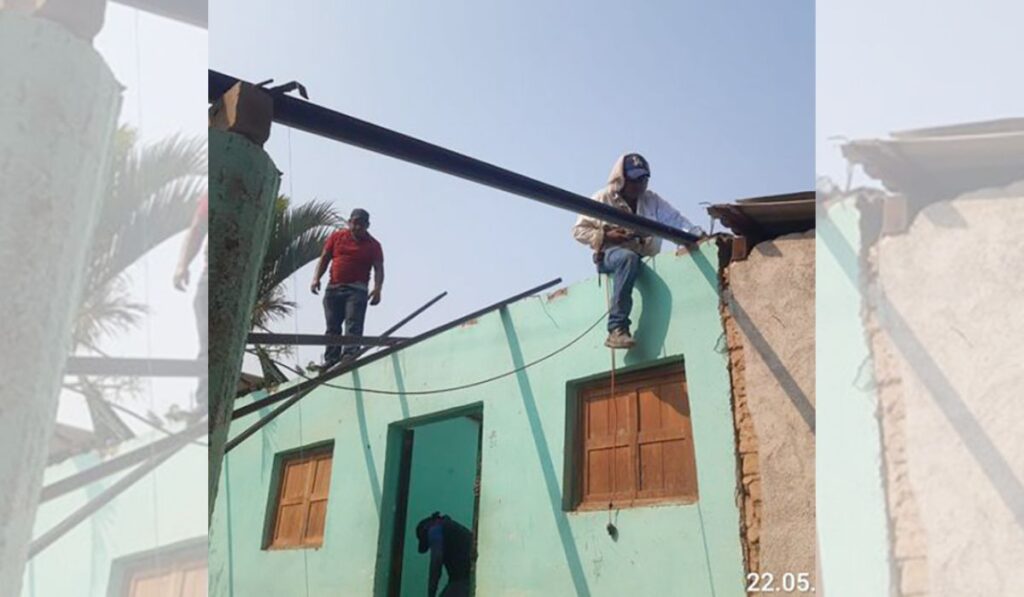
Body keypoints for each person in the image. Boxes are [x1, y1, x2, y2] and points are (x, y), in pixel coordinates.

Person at [572, 153, 705, 349]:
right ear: (622, 178)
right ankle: (617, 328)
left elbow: (675, 219)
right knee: (627, 258)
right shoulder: (603, 198)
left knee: (633, 259)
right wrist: (608, 236)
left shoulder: (652, 200)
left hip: (643, 256)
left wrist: (697, 235)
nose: (639, 185)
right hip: (612, 255)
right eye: (634, 180)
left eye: (643, 179)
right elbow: (578, 231)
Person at [310, 208, 384, 367]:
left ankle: (350, 355)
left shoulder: (374, 245)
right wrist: (316, 278)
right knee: (332, 326)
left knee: (353, 324)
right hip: (334, 288)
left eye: (362, 224)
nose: (357, 227)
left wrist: (377, 289)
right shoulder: (337, 237)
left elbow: (379, 268)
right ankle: (331, 359)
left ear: (367, 225)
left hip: (357, 290)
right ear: (349, 222)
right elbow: (325, 258)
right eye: (355, 223)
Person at [173, 193, 209, 411]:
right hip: (225, 276)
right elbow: (197, 229)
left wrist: (182, 265)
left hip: (220, 276)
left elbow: (197, 229)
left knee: (209, 342)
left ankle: (206, 403)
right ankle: (207, 401)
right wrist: (182, 265)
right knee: (211, 342)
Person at [416, 512, 473, 597]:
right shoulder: (452, 527)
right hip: (469, 579)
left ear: (426, 528)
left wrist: (431, 594)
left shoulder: (435, 530)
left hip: (462, 581)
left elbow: (436, 562)